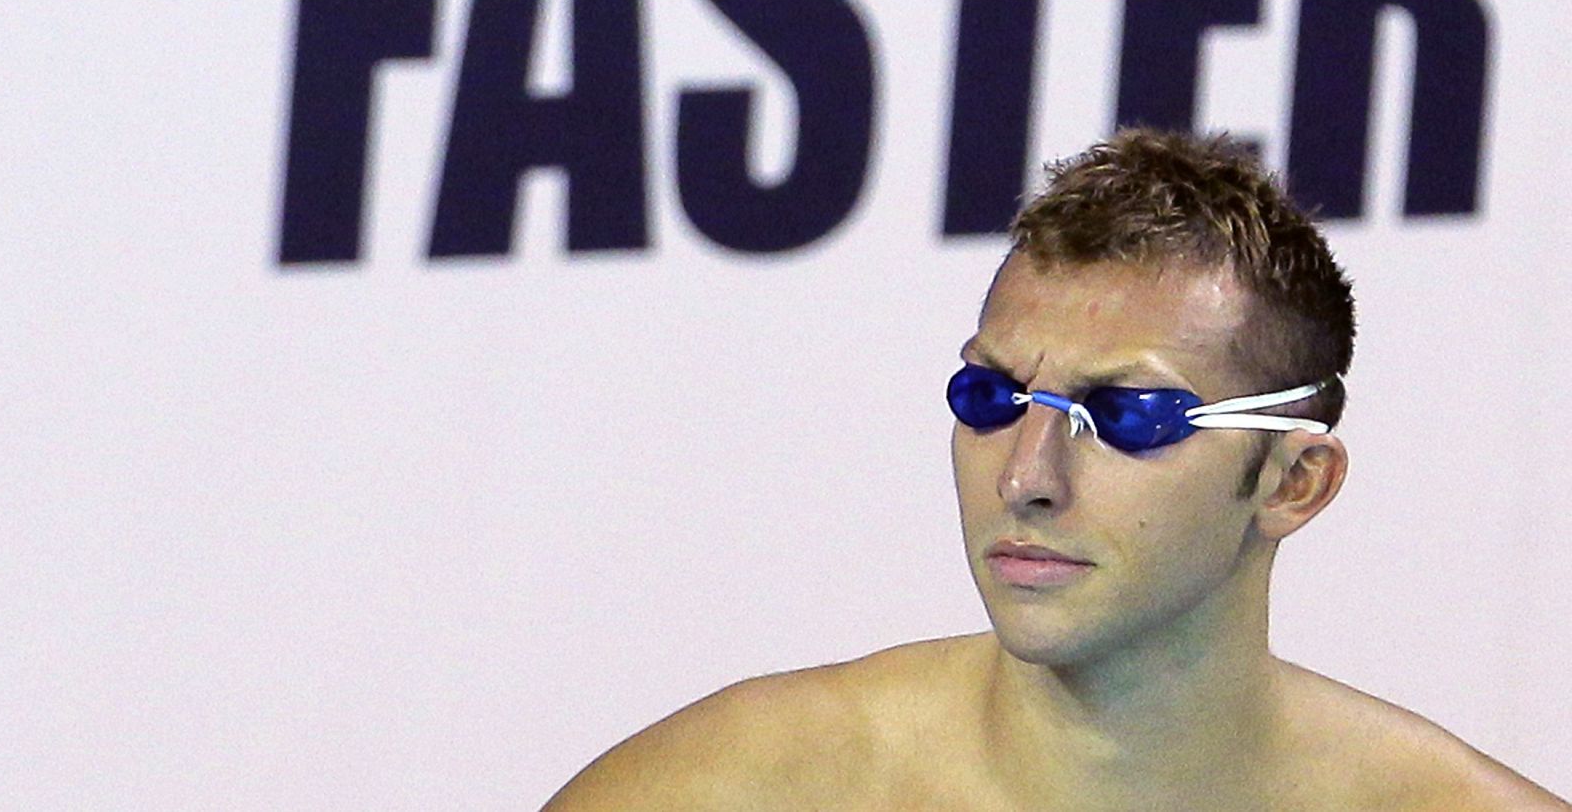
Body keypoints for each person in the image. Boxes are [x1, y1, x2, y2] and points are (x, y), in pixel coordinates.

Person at [542, 129, 1568, 810]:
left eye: (1126, 415)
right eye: (989, 399)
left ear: (1294, 482)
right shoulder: (738, 790)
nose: (1026, 476)